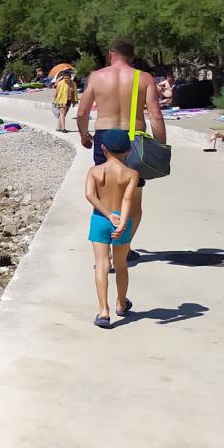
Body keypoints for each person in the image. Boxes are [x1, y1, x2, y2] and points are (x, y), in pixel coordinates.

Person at [76, 40, 166, 261]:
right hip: (134, 139)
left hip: (105, 137)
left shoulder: (97, 77)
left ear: (111, 54)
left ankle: (103, 250)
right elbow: (155, 115)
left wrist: (84, 135)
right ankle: (123, 250)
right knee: (133, 197)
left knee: (104, 194)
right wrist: (161, 147)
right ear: (132, 56)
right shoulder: (144, 78)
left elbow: (82, 112)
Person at [85, 130, 139, 328]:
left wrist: (108, 215)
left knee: (101, 264)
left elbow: (90, 195)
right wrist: (122, 221)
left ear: (103, 148)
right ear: (129, 150)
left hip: (100, 219)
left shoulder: (95, 171)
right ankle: (122, 303)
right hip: (121, 221)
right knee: (121, 264)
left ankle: (103, 311)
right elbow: (127, 199)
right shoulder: (131, 174)